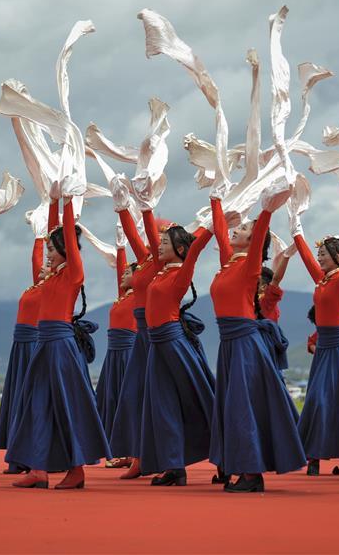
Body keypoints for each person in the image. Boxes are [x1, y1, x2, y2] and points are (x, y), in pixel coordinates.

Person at [6, 193, 110, 490]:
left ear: (66, 250)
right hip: (43, 344)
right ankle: (38, 469)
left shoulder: (73, 274)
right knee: (37, 404)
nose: (48, 254)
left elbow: (65, 234)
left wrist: (66, 201)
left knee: (68, 406)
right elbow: (52, 235)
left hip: (61, 346)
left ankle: (76, 469)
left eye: (52, 249)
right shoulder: (49, 277)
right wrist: (52, 199)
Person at [207, 186, 307, 493]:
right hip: (229, 345)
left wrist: (266, 211)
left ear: (254, 242)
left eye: (245, 228)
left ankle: (252, 473)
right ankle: (238, 466)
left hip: (245, 345)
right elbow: (222, 232)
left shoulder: (250, 266)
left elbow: (260, 233)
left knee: (243, 407)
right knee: (231, 406)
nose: (238, 228)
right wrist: (215, 198)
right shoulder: (227, 264)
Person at [139, 220, 215, 487]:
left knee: (200, 401)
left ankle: (227, 458)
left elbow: (196, 248)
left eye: (165, 243)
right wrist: (143, 207)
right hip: (156, 344)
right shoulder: (160, 271)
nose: (159, 246)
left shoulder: (182, 271)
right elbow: (149, 235)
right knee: (163, 407)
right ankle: (174, 467)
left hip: (173, 342)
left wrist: (213, 223)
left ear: (180, 249)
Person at [290, 214, 339, 477]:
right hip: (324, 347)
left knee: (338, 402)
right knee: (317, 400)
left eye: (324, 253)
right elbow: (306, 259)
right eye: (319, 253)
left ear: (337, 256)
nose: (320, 257)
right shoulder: (321, 280)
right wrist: (296, 230)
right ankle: (313, 455)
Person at [0, 202, 59, 475]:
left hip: (35, 345)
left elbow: (57, 248)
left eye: (53, 255)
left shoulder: (57, 283)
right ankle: (19, 455)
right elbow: (37, 259)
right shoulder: (39, 283)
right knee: (18, 401)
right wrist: (38, 234)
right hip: (20, 346)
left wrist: (55, 208)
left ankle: (34, 456)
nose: (46, 260)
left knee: (32, 401)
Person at [109, 185, 165, 480]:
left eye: (163, 238)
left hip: (156, 334)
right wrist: (121, 209)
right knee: (133, 397)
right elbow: (135, 239)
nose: (157, 241)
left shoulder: (158, 263)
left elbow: (148, 238)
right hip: (142, 337)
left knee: (157, 397)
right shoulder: (145, 263)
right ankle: (138, 456)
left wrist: (145, 207)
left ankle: (165, 459)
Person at [96, 248, 137, 468]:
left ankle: (133, 452)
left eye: (127, 272)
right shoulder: (124, 297)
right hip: (113, 354)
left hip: (128, 354)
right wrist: (120, 248)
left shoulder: (140, 293)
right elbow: (121, 270)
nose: (122, 274)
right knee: (111, 401)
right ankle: (120, 449)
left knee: (127, 401)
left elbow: (145, 266)